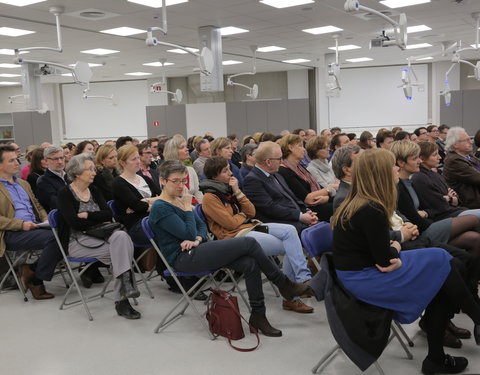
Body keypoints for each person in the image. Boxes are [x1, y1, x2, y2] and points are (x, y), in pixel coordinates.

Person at [331, 148, 480, 374]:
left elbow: (380, 253)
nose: (397, 169)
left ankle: (438, 357)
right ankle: (467, 328)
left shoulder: (363, 202)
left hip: (360, 271)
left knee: (442, 270)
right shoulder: (371, 209)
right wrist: (397, 245)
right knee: (443, 263)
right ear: (381, 173)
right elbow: (385, 260)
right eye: (393, 166)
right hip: (363, 279)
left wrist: (394, 247)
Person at [149, 159, 312, 336]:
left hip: (199, 248)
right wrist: (189, 211)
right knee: (249, 243)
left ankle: (259, 316)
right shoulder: (161, 207)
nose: (181, 185)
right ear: (163, 181)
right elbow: (188, 231)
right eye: (176, 181)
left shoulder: (182, 200)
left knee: (250, 263)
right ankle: (284, 284)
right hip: (182, 258)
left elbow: (201, 228)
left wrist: (196, 238)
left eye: (184, 180)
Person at [200, 156, 314, 313]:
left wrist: (238, 191)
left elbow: (251, 211)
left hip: (250, 226)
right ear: (214, 175)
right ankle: (291, 297)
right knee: (291, 246)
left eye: (229, 168)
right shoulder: (209, 197)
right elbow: (230, 224)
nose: (231, 173)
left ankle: (302, 279)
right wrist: (243, 216)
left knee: (290, 231)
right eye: (225, 171)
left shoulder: (229, 190)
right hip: (235, 237)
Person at [57, 153, 140, 319]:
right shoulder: (65, 193)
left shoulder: (93, 189)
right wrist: (96, 217)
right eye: (89, 169)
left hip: (104, 236)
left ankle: (122, 298)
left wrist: (87, 215)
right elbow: (74, 223)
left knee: (122, 238)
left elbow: (108, 214)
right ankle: (123, 297)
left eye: (94, 169)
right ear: (77, 173)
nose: (94, 172)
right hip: (78, 242)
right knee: (122, 250)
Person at [390, 140, 480, 259]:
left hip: (430, 224)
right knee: (473, 219)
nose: (420, 161)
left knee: (474, 239)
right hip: (422, 232)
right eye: (415, 158)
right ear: (401, 162)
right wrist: (430, 214)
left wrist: (426, 213)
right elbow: (416, 217)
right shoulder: (400, 187)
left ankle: (472, 276)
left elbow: (430, 209)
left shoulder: (410, 182)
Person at [0, 144, 62, 299]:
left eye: (17, 159)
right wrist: (20, 224)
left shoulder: (23, 183)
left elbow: (37, 205)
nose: (17, 163)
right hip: (13, 233)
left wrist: (45, 218)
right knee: (57, 238)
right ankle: (36, 280)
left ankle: (31, 270)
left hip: (35, 227)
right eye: (11, 160)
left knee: (68, 232)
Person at [243, 141, 318, 234]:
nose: (282, 161)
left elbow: (292, 198)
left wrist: (307, 212)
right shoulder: (252, 180)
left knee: (319, 226)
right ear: (268, 162)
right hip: (277, 222)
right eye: (279, 158)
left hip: (292, 217)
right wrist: (300, 216)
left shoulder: (276, 174)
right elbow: (270, 208)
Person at [412, 141, 480, 222]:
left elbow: (455, 198)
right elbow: (439, 206)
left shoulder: (434, 174)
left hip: (454, 210)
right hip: (445, 216)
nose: (439, 157)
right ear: (422, 158)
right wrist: (449, 198)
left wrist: (449, 198)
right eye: (434, 155)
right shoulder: (421, 178)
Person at [278, 135, 333, 222]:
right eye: (300, 146)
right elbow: (307, 198)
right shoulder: (284, 171)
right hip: (307, 210)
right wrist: (331, 189)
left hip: (318, 203)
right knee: (342, 207)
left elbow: (318, 187)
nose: (304, 149)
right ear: (290, 147)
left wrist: (327, 197)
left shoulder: (300, 168)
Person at [443, 127, 480, 209]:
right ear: (455, 144)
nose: (471, 142)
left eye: (470, 139)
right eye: (467, 140)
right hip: (472, 203)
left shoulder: (468, 155)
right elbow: (478, 178)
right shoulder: (454, 161)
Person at [163, 136, 203, 203]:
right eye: (182, 147)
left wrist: (201, 208)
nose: (187, 149)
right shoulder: (165, 172)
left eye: (186, 146)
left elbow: (198, 193)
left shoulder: (190, 170)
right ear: (173, 151)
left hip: (194, 206)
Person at [36, 146, 69, 212]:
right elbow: (55, 203)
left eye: (61, 158)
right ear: (46, 161)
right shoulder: (43, 181)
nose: (60, 162)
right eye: (55, 159)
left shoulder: (70, 176)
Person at [331, 145, 362, 212]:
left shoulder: (361, 187)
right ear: (347, 170)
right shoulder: (344, 198)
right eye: (360, 161)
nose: (365, 164)